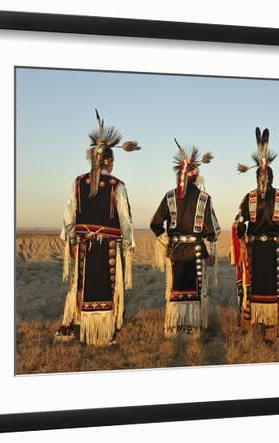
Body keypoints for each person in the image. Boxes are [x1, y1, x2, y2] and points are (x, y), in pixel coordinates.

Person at [55, 110, 140, 346]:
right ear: (109, 162)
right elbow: (125, 217)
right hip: (109, 247)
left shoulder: (78, 182)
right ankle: (102, 331)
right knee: (106, 287)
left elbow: (69, 214)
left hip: (83, 245)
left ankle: (76, 325)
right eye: (112, 162)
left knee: (80, 283)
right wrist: (130, 242)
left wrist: (68, 240)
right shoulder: (116, 185)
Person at [231, 127, 279, 344]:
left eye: (262, 175)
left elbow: (241, 225)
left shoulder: (264, 198)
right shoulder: (267, 197)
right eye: (261, 176)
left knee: (262, 287)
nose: (261, 179)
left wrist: (243, 237)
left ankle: (260, 327)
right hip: (264, 250)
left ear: (264, 176)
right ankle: (259, 327)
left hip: (264, 251)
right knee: (262, 287)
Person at [150, 139, 220, 337]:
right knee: (196, 290)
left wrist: (167, 243)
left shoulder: (170, 197)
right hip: (196, 251)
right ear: (196, 176)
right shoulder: (204, 199)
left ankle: (175, 327)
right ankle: (192, 328)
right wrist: (211, 252)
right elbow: (213, 231)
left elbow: (155, 224)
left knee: (175, 288)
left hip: (175, 251)